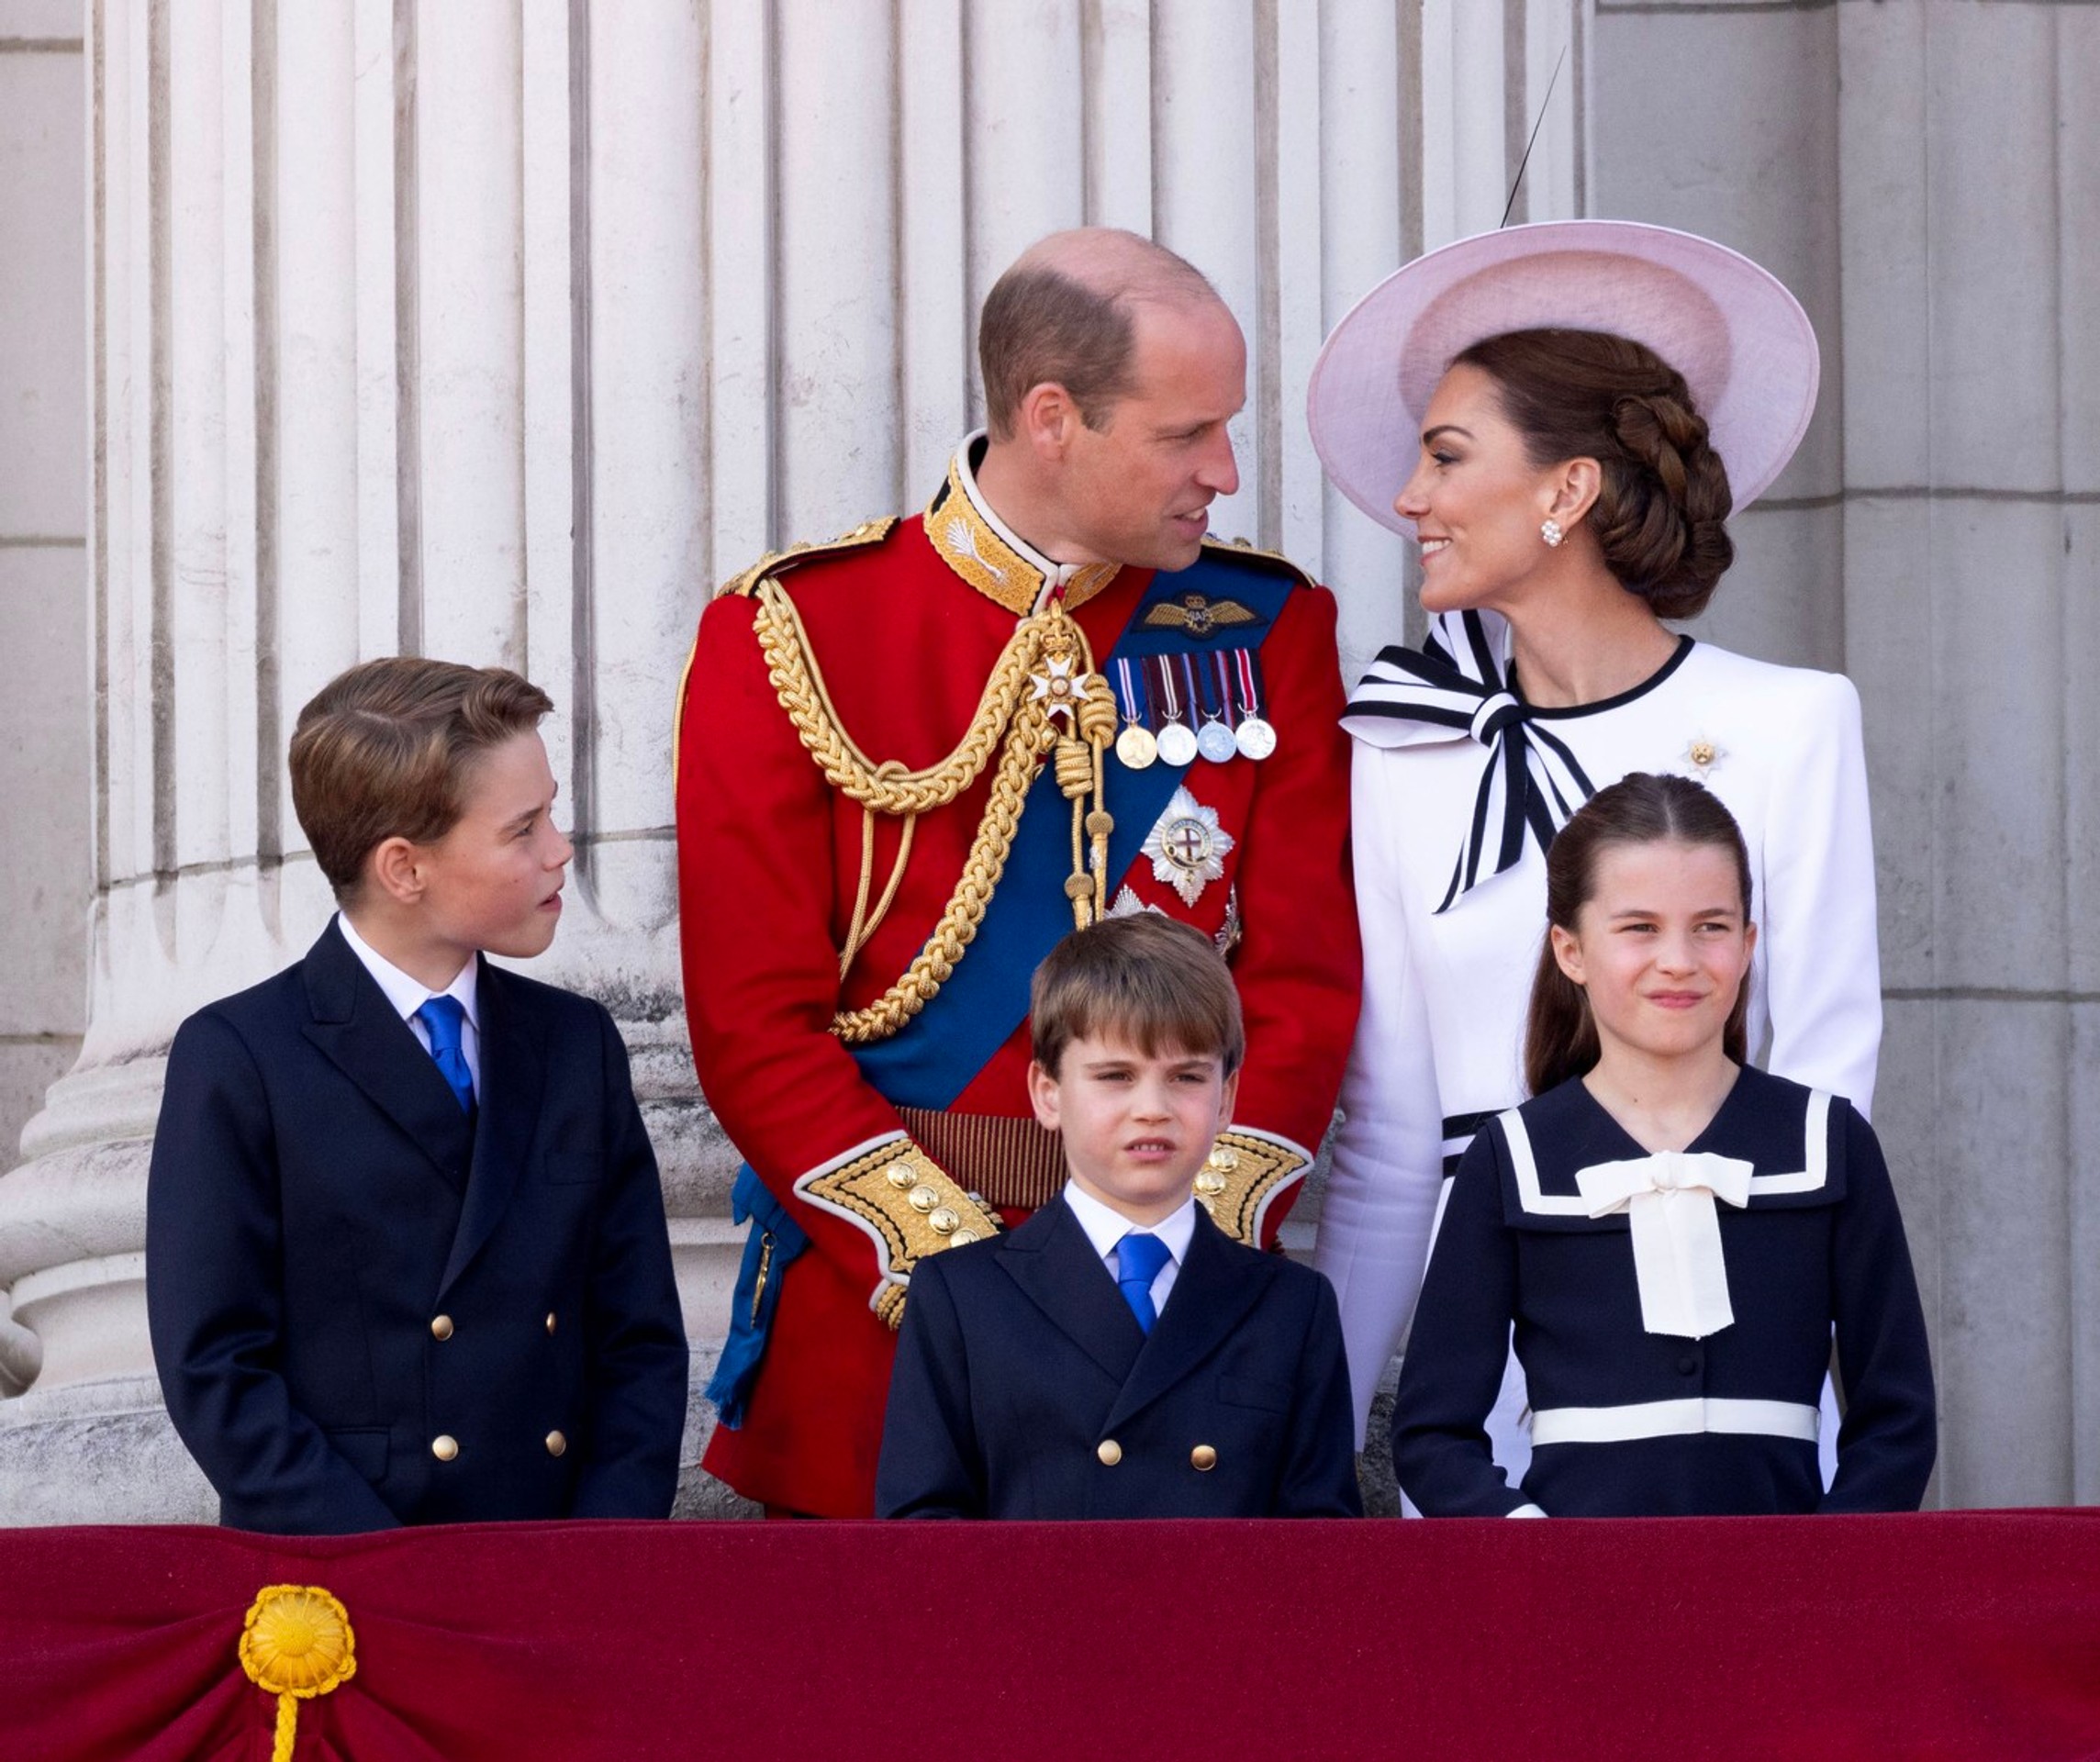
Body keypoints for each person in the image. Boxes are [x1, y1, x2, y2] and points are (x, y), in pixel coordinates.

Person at [677, 228, 1360, 1518]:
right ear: (1053, 418)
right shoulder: (795, 633)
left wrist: (1181, 1245)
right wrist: (962, 1287)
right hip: (890, 1337)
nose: (1224, 471)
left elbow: (1308, 984)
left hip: (1184, 1330)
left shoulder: (1270, 628)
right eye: (1186, 434)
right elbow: (751, 1025)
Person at [1304, 220, 1881, 1482]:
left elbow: (1828, 1093)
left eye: (1447, 458)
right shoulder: (1402, 748)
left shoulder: (1792, 724)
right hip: (1483, 1391)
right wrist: (1313, 1441)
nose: (1412, 499)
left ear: (1566, 491)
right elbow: (1394, 1141)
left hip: (1725, 1353)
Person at [147, 659, 688, 1534]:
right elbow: (217, 1368)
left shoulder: (575, 1045)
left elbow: (640, 1342)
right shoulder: (242, 1057)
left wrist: (602, 1555)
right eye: (524, 829)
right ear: (404, 868)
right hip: (348, 1581)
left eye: (552, 812)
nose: (561, 850)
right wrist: (379, 1573)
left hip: (561, 1566)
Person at [1392, 775, 1933, 1515]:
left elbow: (1898, 1420)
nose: (1678, 959)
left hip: (1788, 1603)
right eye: (1639, 927)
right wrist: (1529, 1548)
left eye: (1710, 927)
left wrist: (1825, 1568)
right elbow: (1432, 1433)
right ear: (1571, 950)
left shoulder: (1829, 1143)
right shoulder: (1510, 1157)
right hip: (1577, 1601)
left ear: (1747, 946)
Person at [876, 915, 1360, 1519]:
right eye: (1115, 1077)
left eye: (1186, 1077)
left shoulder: (1292, 1307)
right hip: (1031, 1614)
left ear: (1228, 1098)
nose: (1151, 1109)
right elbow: (924, 1537)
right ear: (1047, 1093)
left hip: (1224, 1614)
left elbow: (1322, 1553)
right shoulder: (962, 1297)